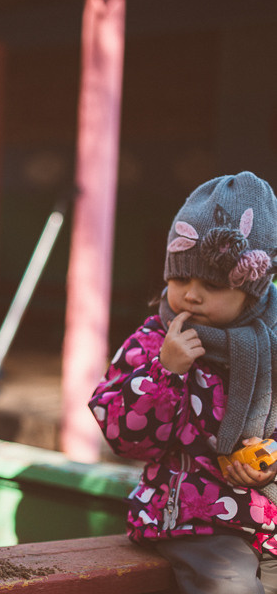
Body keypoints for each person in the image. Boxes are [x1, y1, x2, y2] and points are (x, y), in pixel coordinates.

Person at [89, 171, 277, 593]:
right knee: (230, 587)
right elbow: (126, 439)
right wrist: (165, 372)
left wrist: (269, 455)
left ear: (254, 290)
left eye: (210, 285)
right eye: (179, 279)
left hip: (268, 519)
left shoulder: (272, 347)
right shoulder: (156, 341)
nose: (190, 295)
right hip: (197, 520)